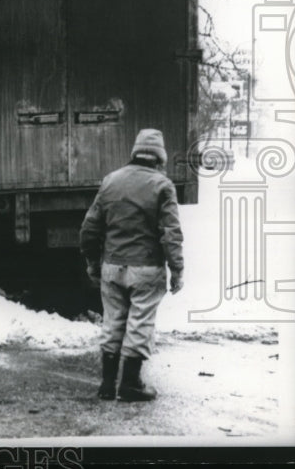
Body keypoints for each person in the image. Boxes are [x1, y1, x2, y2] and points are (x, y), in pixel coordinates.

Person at [79, 128, 184, 402]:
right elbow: (171, 234)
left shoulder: (111, 181)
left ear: (135, 153)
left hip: (112, 267)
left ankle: (106, 384)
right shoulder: (163, 185)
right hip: (146, 269)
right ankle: (130, 384)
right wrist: (178, 271)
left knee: (113, 321)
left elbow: (89, 229)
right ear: (159, 157)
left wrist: (93, 263)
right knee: (139, 324)